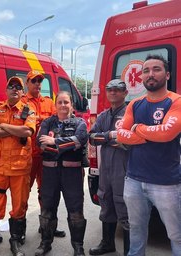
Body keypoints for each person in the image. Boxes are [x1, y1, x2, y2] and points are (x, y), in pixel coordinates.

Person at [117, 54, 181, 256]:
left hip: (167, 183)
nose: (150, 74)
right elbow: (120, 135)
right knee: (136, 231)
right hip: (134, 180)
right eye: (146, 70)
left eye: (156, 69)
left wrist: (137, 129)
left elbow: (167, 133)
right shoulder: (134, 104)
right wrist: (147, 134)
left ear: (167, 74)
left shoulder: (176, 101)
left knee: (176, 234)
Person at [0, 76, 36, 256]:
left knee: (19, 207)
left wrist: (2, 125)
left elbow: (27, 131)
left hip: (20, 167)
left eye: (18, 87)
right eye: (11, 86)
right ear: (6, 90)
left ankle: (16, 242)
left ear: (22, 91)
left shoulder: (29, 109)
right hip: (0, 167)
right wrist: (13, 128)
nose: (14, 89)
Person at [35, 91, 88, 256]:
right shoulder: (47, 122)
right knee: (47, 209)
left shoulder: (80, 122)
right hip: (50, 172)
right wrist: (68, 144)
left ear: (71, 105)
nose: (63, 105)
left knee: (76, 211)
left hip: (72, 174)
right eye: (60, 102)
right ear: (55, 105)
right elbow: (40, 142)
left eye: (66, 102)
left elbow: (80, 140)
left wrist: (55, 141)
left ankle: (78, 247)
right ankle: (45, 243)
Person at [21, 70, 65, 238]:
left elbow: (57, 121)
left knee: (47, 192)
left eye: (40, 81)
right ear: (28, 83)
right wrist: (40, 119)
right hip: (27, 155)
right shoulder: (23, 101)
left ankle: (47, 227)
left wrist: (38, 119)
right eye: (34, 81)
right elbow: (22, 120)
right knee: (23, 193)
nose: (38, 84)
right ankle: (20, 230)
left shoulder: (49, 102)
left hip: (46, 155)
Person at [88, 79, 130, 256]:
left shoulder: (130, 113)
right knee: (106, 204)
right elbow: (91, 137)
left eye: (117, 89)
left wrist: (107, 138)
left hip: (125, 170)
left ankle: (131, 250)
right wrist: (110, 136)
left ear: (125, 93)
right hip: (106, 171)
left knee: (125, 208)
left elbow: (131, 137)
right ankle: (107, 244)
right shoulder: (104, 116)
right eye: (110, 89)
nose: (113, 92)